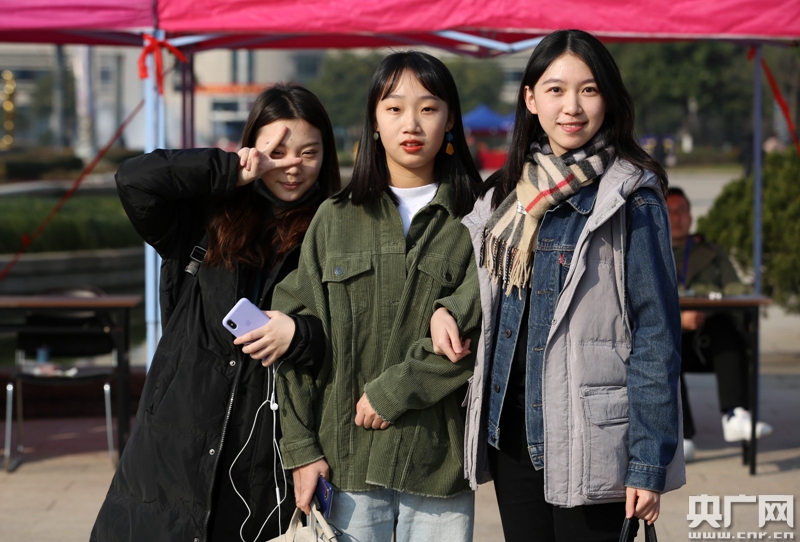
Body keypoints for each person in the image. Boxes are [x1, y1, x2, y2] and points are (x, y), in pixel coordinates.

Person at [431, 29, 685, 542]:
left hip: (592, 441)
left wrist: (646, 463)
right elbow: (474, 285)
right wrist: (445, 310)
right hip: (511, 437)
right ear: (530, 98)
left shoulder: (631, 197)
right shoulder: (503, 196)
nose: (572, 106)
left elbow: (656, 336)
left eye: (589, 90)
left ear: (608, 100)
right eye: (555, 90)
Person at [90, 83, 341, 542]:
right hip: (174, 445)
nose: (292, 166)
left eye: (309, 153)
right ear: (252, 149)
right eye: (277, 152)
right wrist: (229, 170)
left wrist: (299, 334)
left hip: (264, 453)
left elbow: (354, 333)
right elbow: (134, 179)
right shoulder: (205, 220)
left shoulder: (337, 233)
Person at [271, 51, 483, 542]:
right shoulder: (335, 218)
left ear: (450, 119)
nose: (411, 124)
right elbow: (299, 341)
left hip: (437, 466)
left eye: (428, 108)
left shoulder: (478, 219)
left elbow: (487, 327)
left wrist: (394, 392)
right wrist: (300, 449)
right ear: (373, 121)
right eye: (394, 108)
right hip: (345, 462)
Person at [666, 187, 772, 462]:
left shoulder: (711, 252)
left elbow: (734, 288)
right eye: (670, 211)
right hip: (671, 336)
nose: (676, 218)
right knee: (662, 346)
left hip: (710, 338)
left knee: (729, 328)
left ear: (691, 217)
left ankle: (735, 414)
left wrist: (736, 298)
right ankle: (682, 435)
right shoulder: (649, 250)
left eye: (682, 211)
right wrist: (680, 319)